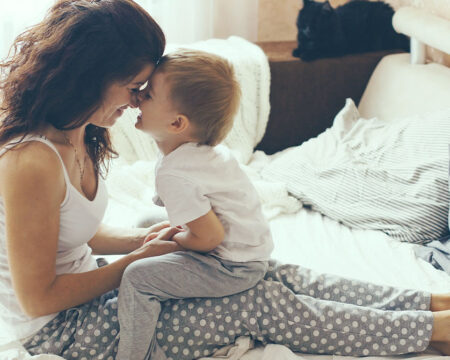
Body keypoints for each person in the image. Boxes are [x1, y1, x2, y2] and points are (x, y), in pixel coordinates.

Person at [0, 1, 449, 360]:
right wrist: (137, 265)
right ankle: (433, 330)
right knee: (257, 301)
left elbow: (73, 235)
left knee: (269, 273)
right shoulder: (32, 162)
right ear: (93, 77)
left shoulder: (82, 131)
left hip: (87, 293)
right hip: (64, 331)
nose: (138, 100)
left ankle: (427, 302)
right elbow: (39, 298)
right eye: (134, 86)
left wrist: (144, 241)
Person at [116, 49, 274, 360]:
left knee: (136, 277)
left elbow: (210, 238)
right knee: (149, 219)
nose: (137, 99)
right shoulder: (198, 154)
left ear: (176, 123)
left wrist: (175, 241)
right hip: (251, 250)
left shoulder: (175, 172)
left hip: (232, 267)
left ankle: (135, 355)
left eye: (148, 95)